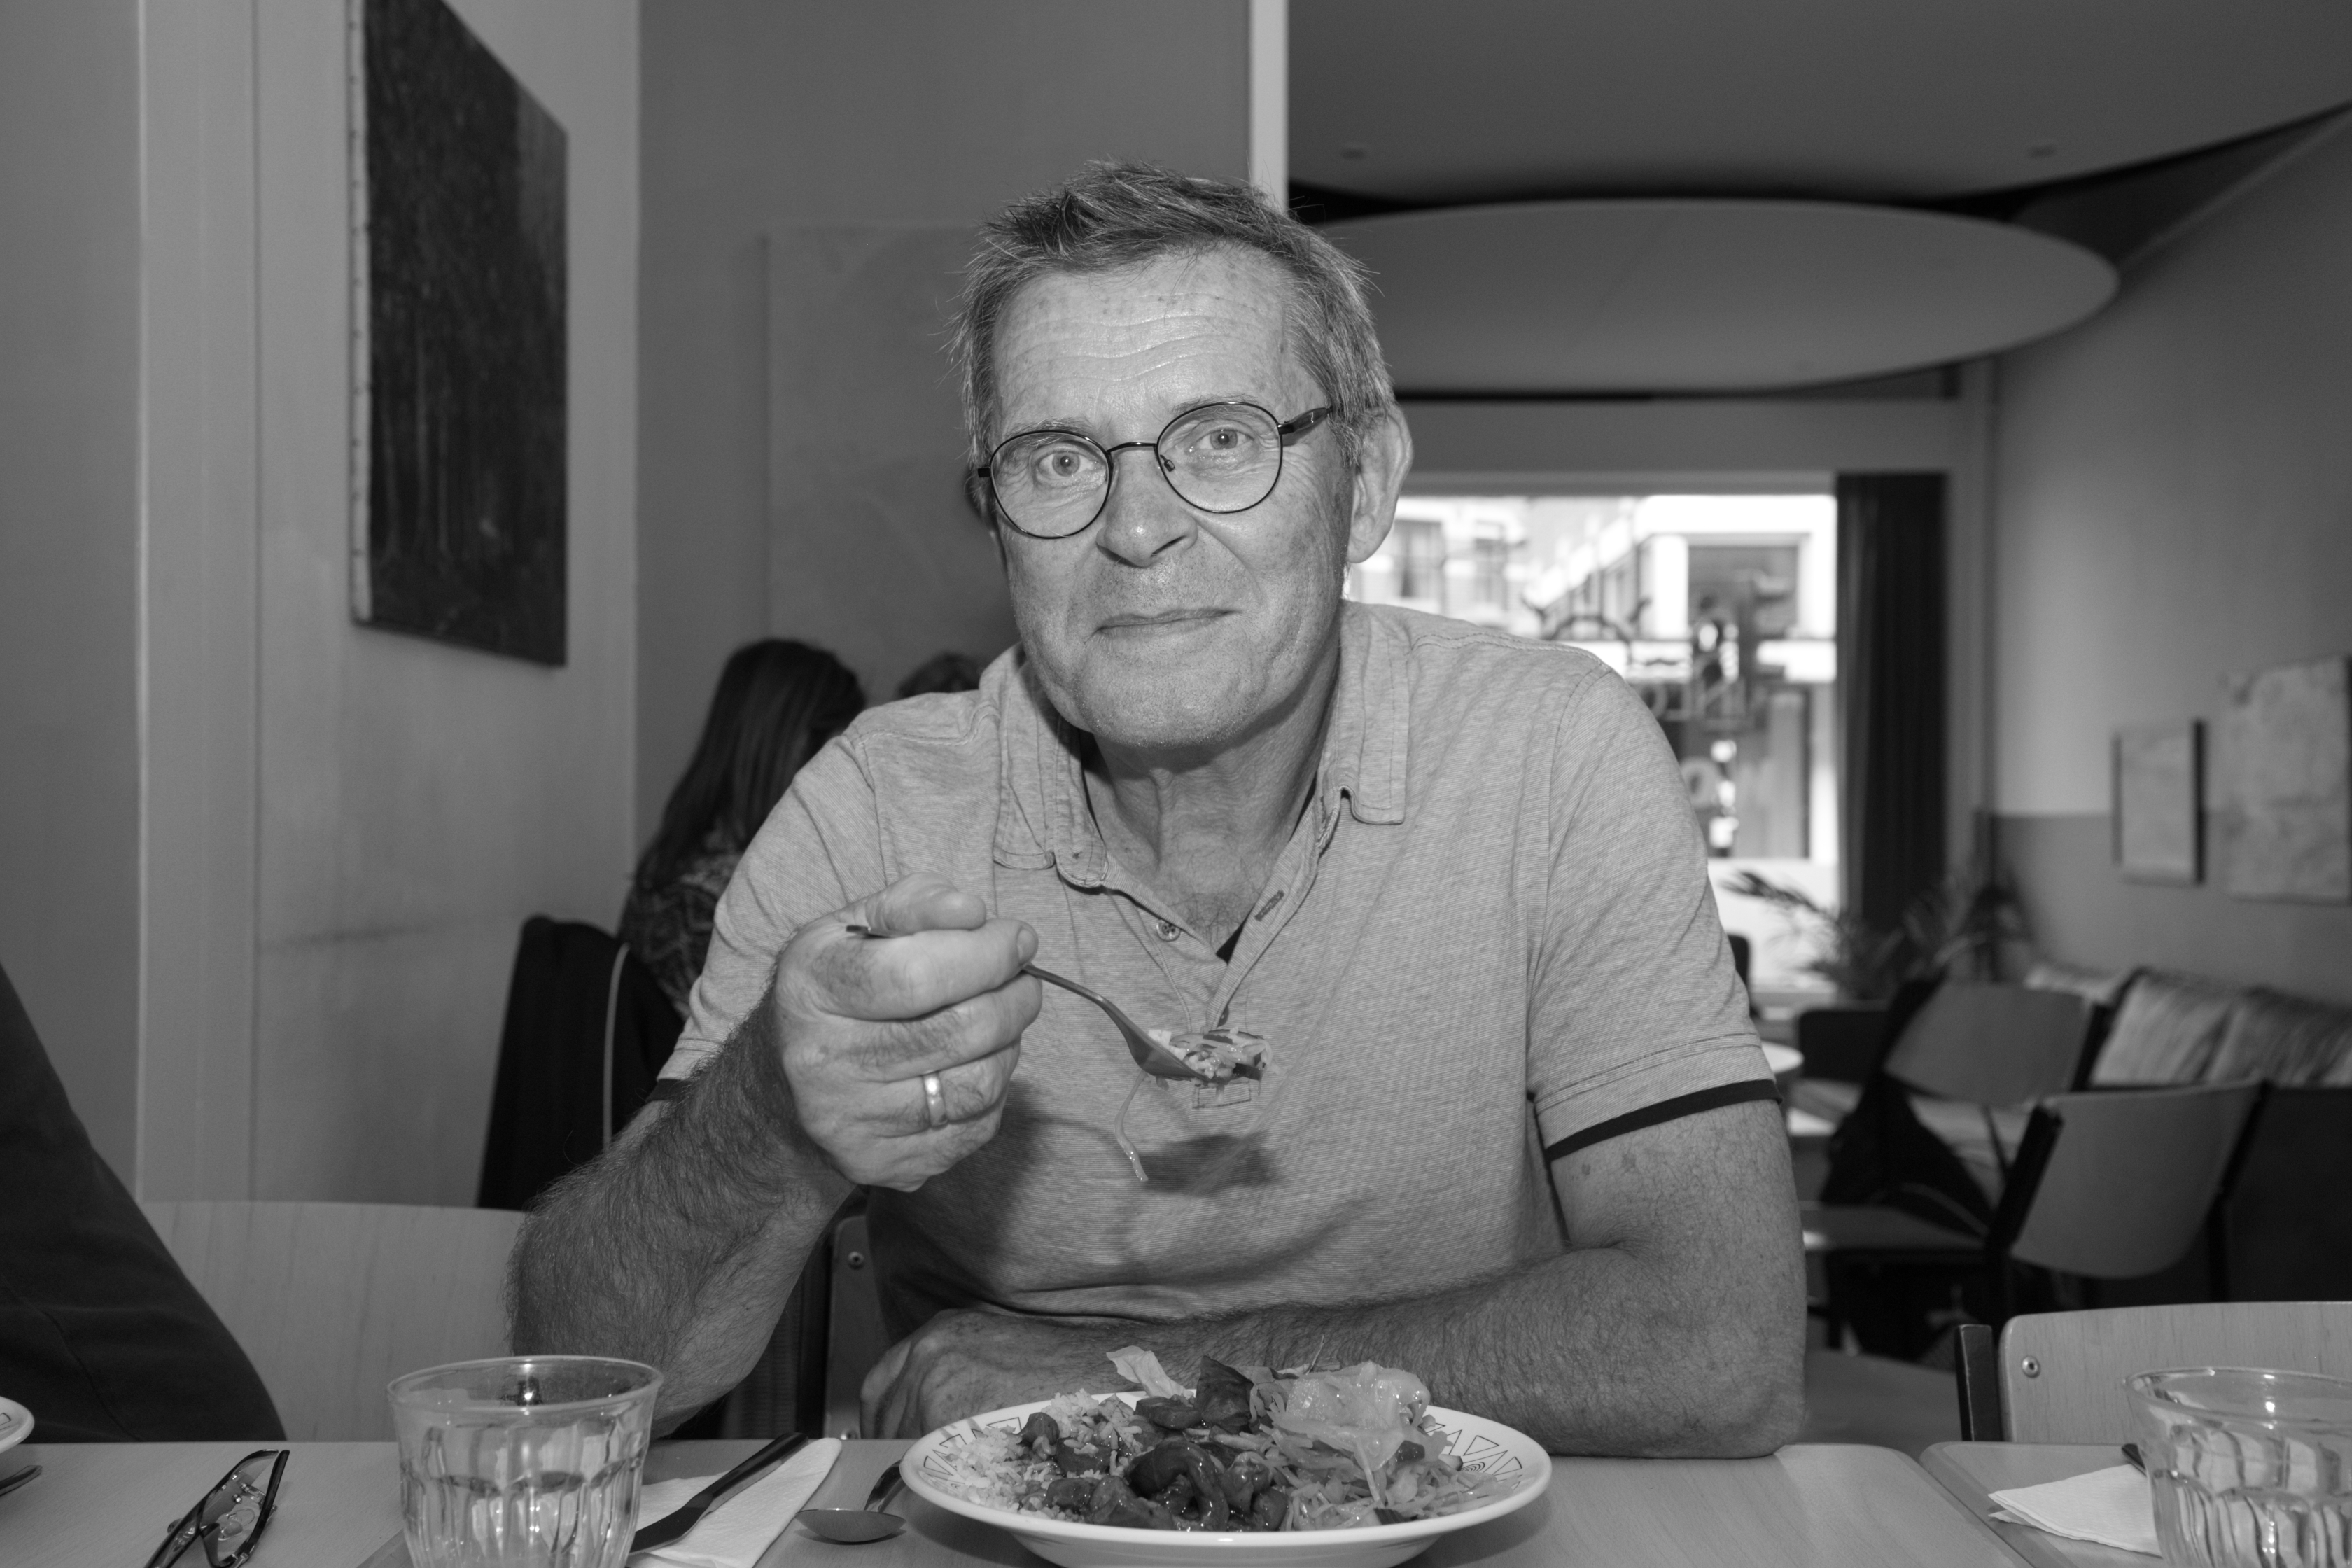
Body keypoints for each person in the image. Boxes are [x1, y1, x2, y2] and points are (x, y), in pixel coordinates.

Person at [515, 164, 1805, 1456]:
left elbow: (1722, 1346)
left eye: (1223, 439)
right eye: (1058, 459)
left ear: (1364, 483)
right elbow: (579, 1376)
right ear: (998, 519)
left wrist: (1125, 1385)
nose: (1136, 529)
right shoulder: (877, 810)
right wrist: (765, 1116)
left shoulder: (1553, 754)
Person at [619, 639, 864, 1015]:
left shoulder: (676, 866)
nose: (850, 775)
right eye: (840, 749)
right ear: (799, 745)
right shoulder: (736, 900)